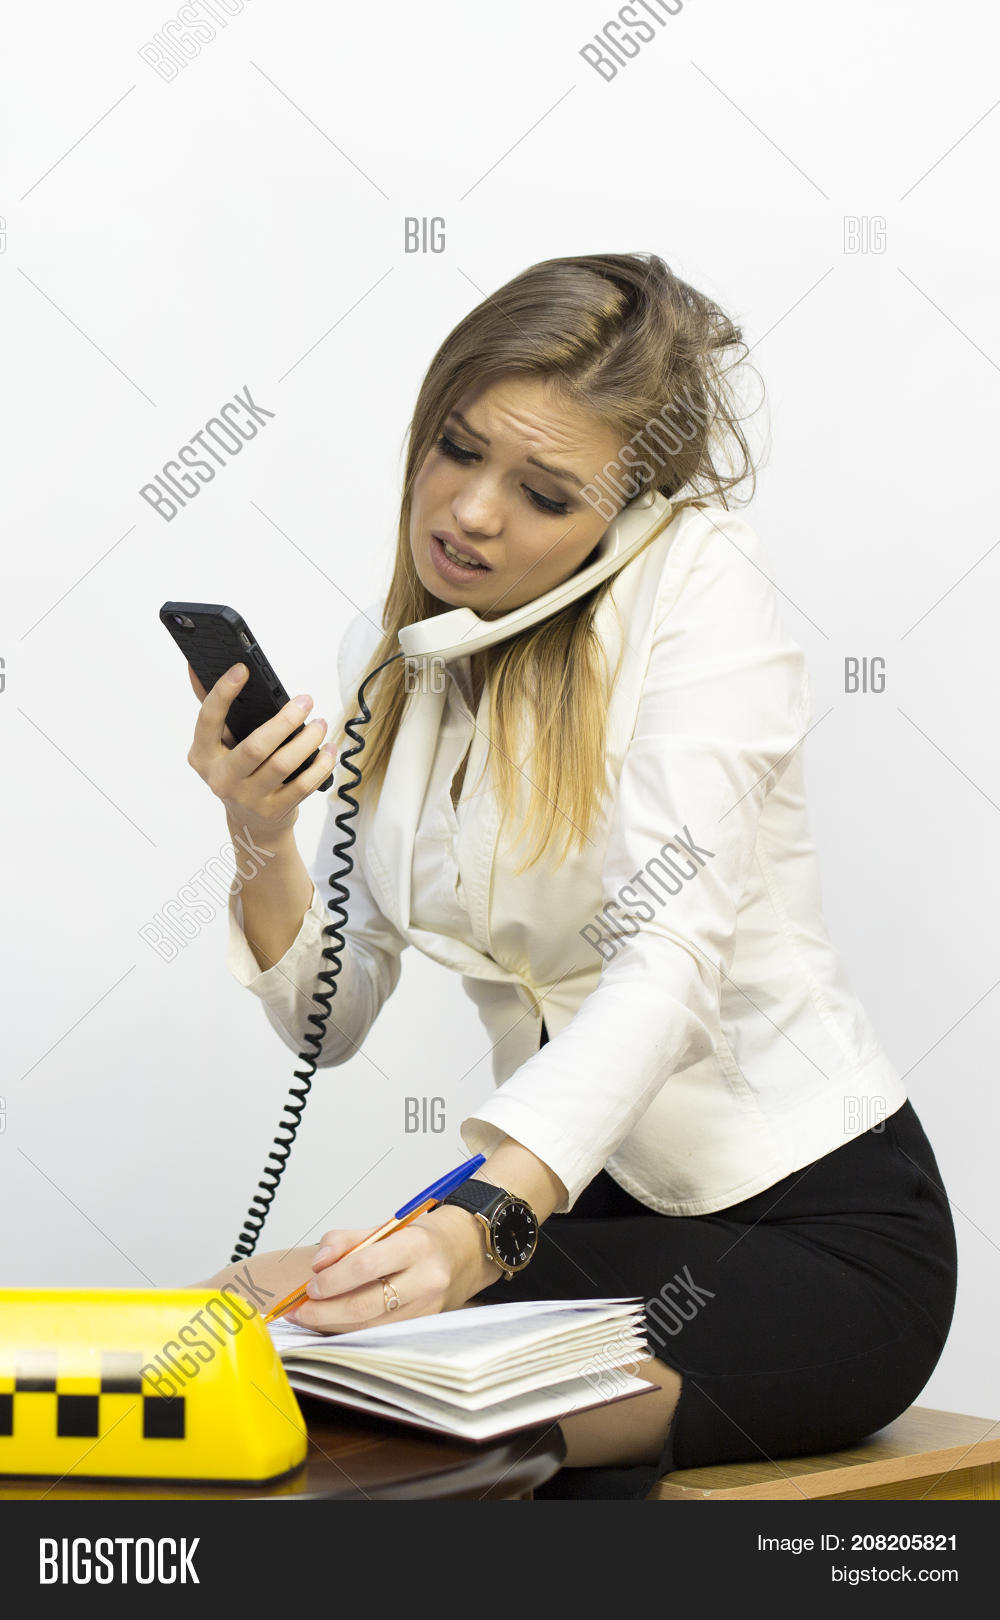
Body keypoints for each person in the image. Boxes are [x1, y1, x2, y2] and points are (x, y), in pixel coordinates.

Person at [186, 253, 957, 1500]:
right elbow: (334, 1015)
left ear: (626, 510)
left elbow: (670, 965)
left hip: (806, 1231)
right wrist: (260, 837)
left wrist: (480, 1229)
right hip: (574, 1210)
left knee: (404, 1421)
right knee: (223, 1323)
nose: (471, 512)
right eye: (456, 447)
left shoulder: (699, 593)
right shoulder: (402, 656)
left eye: (543, 493)